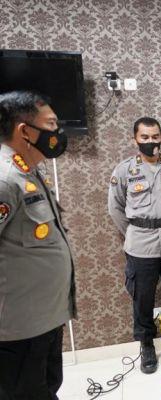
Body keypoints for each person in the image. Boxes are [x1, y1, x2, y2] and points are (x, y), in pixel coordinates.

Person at [0, 91, 75, 399]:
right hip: (18, 330)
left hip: (44, 320)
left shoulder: (27, 172)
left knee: (46, 388)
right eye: (51, 124)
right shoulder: (5, 179)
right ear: (25, 131)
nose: (58, 132)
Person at [108, 117, 161, 374]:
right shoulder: (124, 171)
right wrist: (136, 231)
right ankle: (146, 344)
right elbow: (115, 208)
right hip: (140, 244)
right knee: (142, 298)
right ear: (135, 139)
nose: (150, 141)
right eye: (144, 137)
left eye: (155, 136)